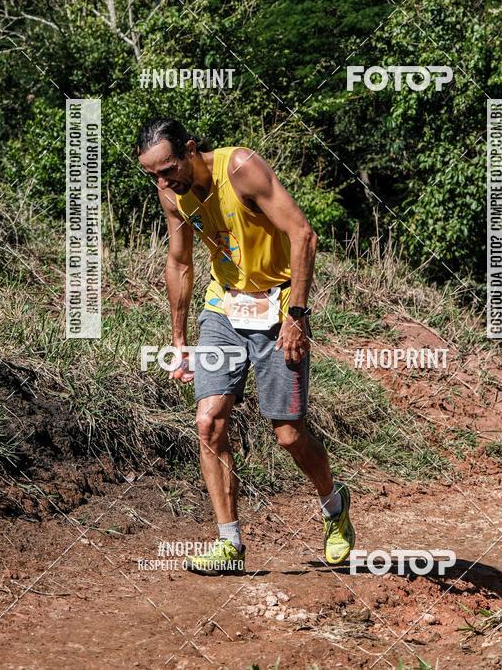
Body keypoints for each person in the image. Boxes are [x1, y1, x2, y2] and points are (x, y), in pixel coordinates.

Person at [136, 118, 355, 574]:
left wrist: (297, 316)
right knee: (209, 421)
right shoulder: (171, 193)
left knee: (289, 433)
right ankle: (230, 544)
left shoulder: (241, 168)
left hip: (277, 308)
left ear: (192, 148)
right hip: (223, 309)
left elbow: (303, 234)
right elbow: (179, 262)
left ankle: (334, 508)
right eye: (153, 175)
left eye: (169, 168)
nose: (163, 180)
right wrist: (179, 342)